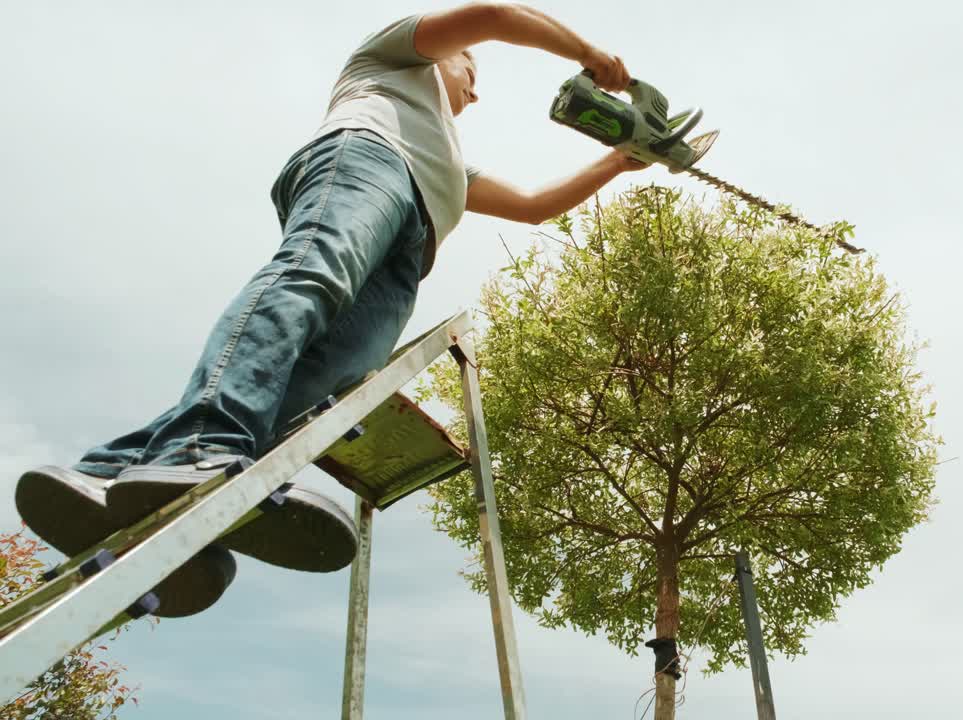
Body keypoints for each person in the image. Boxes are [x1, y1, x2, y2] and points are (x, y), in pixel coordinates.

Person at [15, 3, 646, 618]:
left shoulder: (452, 161)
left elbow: (534, 205)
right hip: (365, 161)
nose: (475, 95)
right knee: (315, 276)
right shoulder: (389, 61)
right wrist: (589, 56)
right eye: (471, 75)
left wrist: (621, 160)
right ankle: (200, 445)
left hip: (413, 240)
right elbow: (499, 16)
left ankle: (123, 475)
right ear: (443, 57)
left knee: (330, 380)